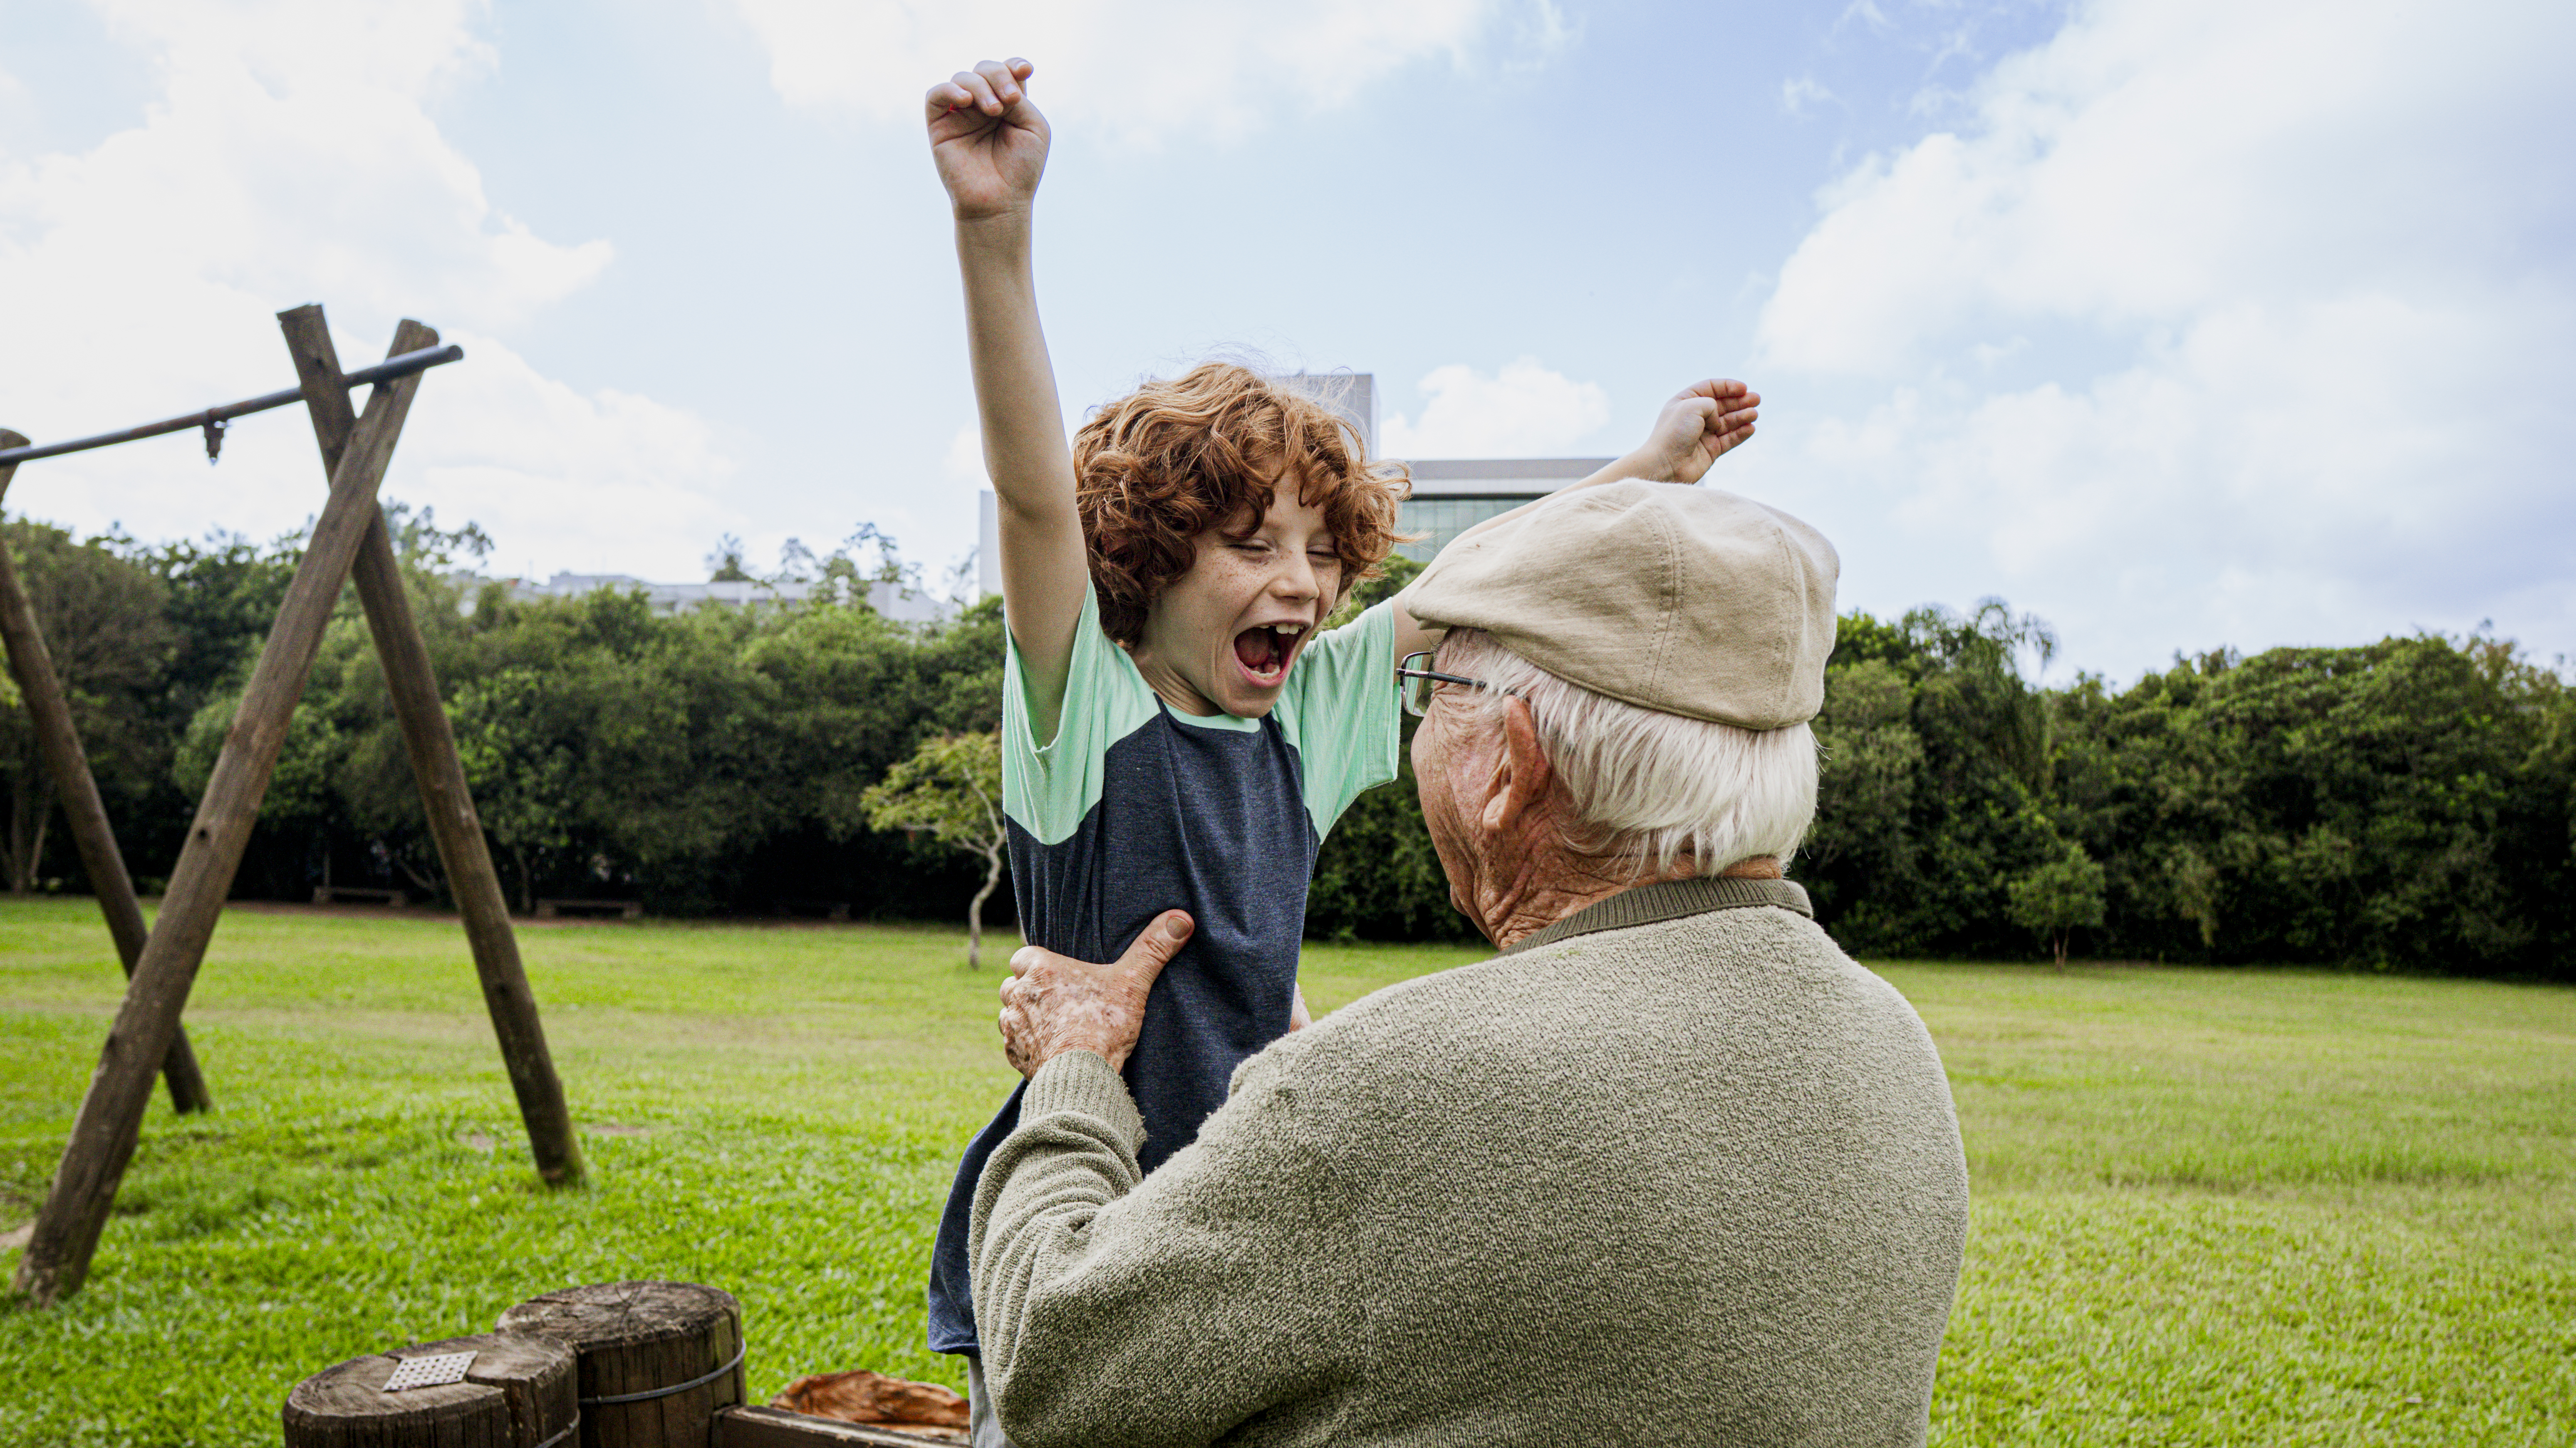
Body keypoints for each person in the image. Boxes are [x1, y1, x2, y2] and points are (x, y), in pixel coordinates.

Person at [921, 56, 1765, 1436]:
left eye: (1323, 554)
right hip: (1090, 1204)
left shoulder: (1302, 715)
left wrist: (1645, 471)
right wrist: (992, 232)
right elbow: (1031, 501)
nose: (1304, 587)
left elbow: (1476, 581)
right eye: (1253, 547)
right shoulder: (1089, 710)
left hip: (1249, 1209)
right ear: (1148, 559)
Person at [971, 481, 1973, 1448]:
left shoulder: (1388, 1088)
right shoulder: (1893, 1045)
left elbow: (1054, 1373)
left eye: (1433, 686)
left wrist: (1075, 1069)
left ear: (1511, 766)